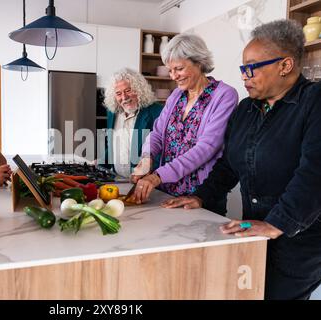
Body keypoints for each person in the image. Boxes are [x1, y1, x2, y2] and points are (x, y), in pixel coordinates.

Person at [162, 20, 321, 300]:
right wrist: (200, 197)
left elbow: (314, 173)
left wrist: (277, 224)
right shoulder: (247, 108)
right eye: (242, 69)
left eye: (252, 68)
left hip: (299, 240)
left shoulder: (314, 101)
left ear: (285, 65)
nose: (245, 76)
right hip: (255, 231)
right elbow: (228, 165)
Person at [131, 33, 238, 206]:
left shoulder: (225, 95)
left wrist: (157, 176)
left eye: (179, 69)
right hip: (166, 193)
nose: (173, 76)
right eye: (170, 70)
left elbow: (207, 147)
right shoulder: (176, 96)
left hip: (199, 196)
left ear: (199, 62)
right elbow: (158, 134)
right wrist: (146, 157)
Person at [102, 68, 163, 178]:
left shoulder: (156, 112)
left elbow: (163, 150)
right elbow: (112, 146)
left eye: (128, 90)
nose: (124, 97)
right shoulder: (112, 113)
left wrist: (150, 172)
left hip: (145, 181)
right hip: (118, 180)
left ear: (139, 90)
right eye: (118, 93)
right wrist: (100, 166)